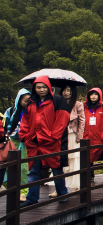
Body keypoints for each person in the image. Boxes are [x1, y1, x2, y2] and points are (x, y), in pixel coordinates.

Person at [19, 76, 71, 206]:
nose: (41, 89)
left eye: (44, 87)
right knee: (33, 170)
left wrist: (53, 136)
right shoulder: (31, 102)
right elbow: (24, 120)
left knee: (56, 169)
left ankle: (62, 193)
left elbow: (62, 120)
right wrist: (24, 135)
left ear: (49, 87)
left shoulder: (58, 100)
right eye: (38, 87)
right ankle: (32, 198)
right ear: (34, 88)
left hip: (52, 142)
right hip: (34, 142)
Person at [52, 85, 84, 197]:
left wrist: (79, 136)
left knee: (74, 159)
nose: (66, 93)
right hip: (60, 135)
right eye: (64, 90)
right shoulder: (57, 103)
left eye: (69, 90)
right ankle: (59, 188)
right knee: (60, 159)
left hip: (73, 134)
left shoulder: (78, 104)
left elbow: (82, 121)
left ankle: (77, 186)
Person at [80, 88, 103, 169]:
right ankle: (90, 176)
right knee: (87, 157)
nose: (93, 96)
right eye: (91, 94)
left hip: (100, 137)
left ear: (99, 95)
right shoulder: (83, 106)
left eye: (95, 94)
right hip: (87, 136)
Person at [2, 88, 31, 187]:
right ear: (19, 100)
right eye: (25, 101)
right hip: (12, 140)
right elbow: (5, 125)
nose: (27, 103)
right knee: (8, 164)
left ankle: (23, 189)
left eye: (29, 101)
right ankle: (10, 186)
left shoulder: (31, 112)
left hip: (25, 141)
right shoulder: (10, 111)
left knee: (24, 166)